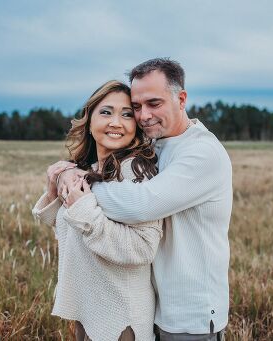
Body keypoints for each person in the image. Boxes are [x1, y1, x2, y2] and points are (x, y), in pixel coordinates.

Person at [58, 58, 233, 340]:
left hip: (191, 315)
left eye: (154, 103)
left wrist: (81, 185)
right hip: (154, 306)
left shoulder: (202, 153)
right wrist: (68, 172)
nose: (143, 115)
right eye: (136, 107)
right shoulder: (155, 144)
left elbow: (141, 204)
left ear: (181, 98)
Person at [33, 80, 163, 341]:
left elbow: (143, 248)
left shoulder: (135, 171)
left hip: (121, 316)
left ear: (136, 127)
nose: (116, 122)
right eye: (106, 112)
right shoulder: (91, 169)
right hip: (91, 307)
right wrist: (55, 187)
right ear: (89, 120)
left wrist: (84, 210)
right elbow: (70, 226)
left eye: (127, 114)